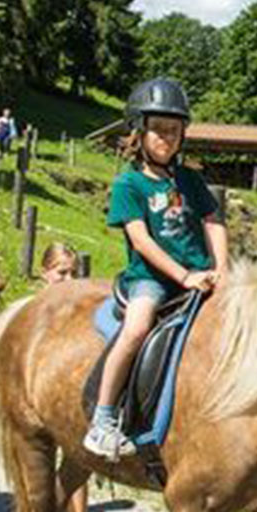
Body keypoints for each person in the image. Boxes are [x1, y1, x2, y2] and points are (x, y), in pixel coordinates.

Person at [86, 78, 228, 459]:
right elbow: (141, 241)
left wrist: (223, 269)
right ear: (139, 131)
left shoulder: (189, 180)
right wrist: (183, 276)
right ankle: (103, 419)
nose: (166, 137)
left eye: (174, 130)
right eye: (158, 129)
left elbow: (213, 221)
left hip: (199, 275)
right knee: (135, 329)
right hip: (151, 280)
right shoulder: (129, 184)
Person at [14, 242, 111, 512]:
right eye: (61, 273)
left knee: (79, 467)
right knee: (34, 471)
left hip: (67, 402)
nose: (69, 280)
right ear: (45, 273)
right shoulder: (29, 313)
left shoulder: (83, 315)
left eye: (73, 273)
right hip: (33, 403)